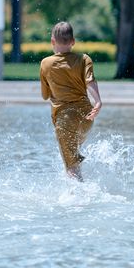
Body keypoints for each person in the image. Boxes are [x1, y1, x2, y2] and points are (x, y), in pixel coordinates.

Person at [39, 21, 103, 181]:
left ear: (52, 41)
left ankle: (80, 199)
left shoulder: (46, 63)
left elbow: (45, 95)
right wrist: (98, 101)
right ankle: (85, 187)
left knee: (71, 167)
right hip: (86, 117)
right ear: (73, 41)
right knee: (74, 155)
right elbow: (90, 81)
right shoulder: (84, 59)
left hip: (65, 120)